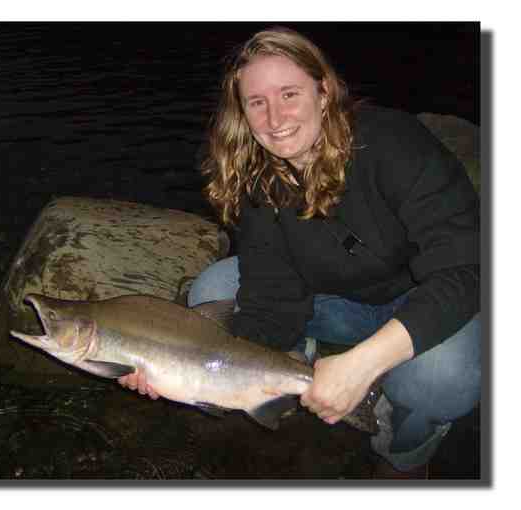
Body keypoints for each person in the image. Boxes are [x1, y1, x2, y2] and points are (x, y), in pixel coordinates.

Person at [119, 26, 480, 479]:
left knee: (443, 382)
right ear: (243, 113)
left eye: (289, 94)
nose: (275, 118)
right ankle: (302, 369)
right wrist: (177, 369)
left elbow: (468, 270)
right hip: (341, 304)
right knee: (212, 290)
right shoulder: (259, 181)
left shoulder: (394, 144)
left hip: (427, 297)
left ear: (324, 92)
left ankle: (403, 451)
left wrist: (365, 361)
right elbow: (270, 302)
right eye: (257, 103)